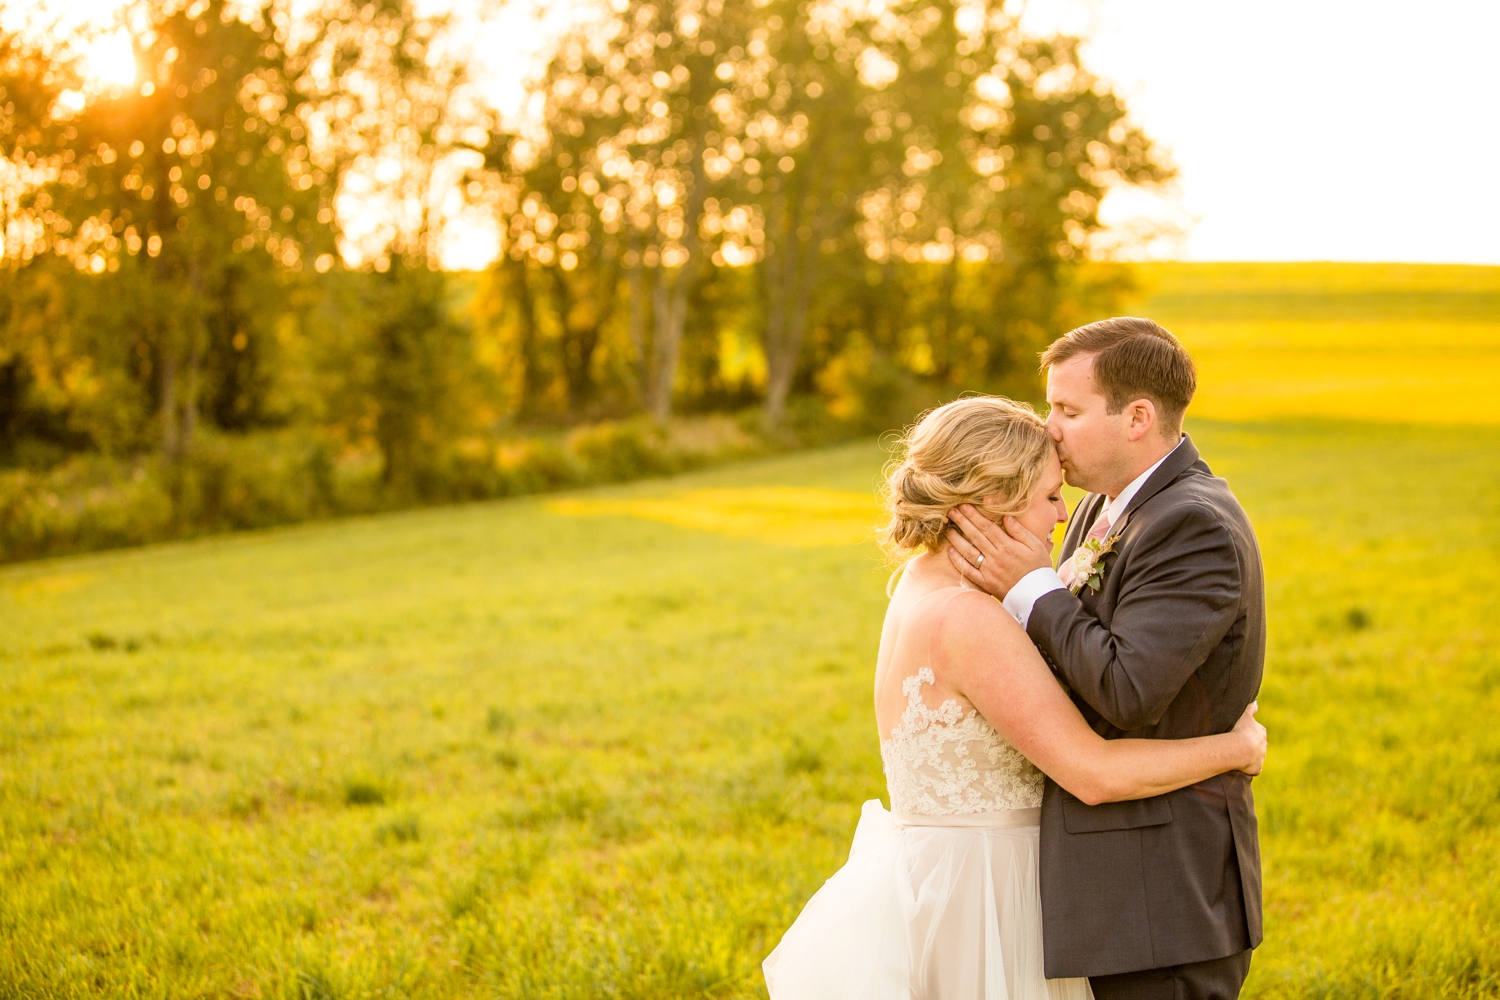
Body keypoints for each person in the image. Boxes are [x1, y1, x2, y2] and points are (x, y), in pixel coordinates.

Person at [762, 392, 1266, 1000]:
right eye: (1051, 497)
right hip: (987, 902)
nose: (1062, 517)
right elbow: (1092, 772)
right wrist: (1234, 748)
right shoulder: (969, 620)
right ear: (991, 504)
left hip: (938, 874)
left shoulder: (918, 582)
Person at [945, 318, 1265, 1000]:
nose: (1049, 429)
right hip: (1113, 886)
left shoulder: (1193, 524)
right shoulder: (1098, 507)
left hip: (1162, 893)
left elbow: (1126, 689)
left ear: (1138, 417)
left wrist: (1030, 585)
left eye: (1067, 409)